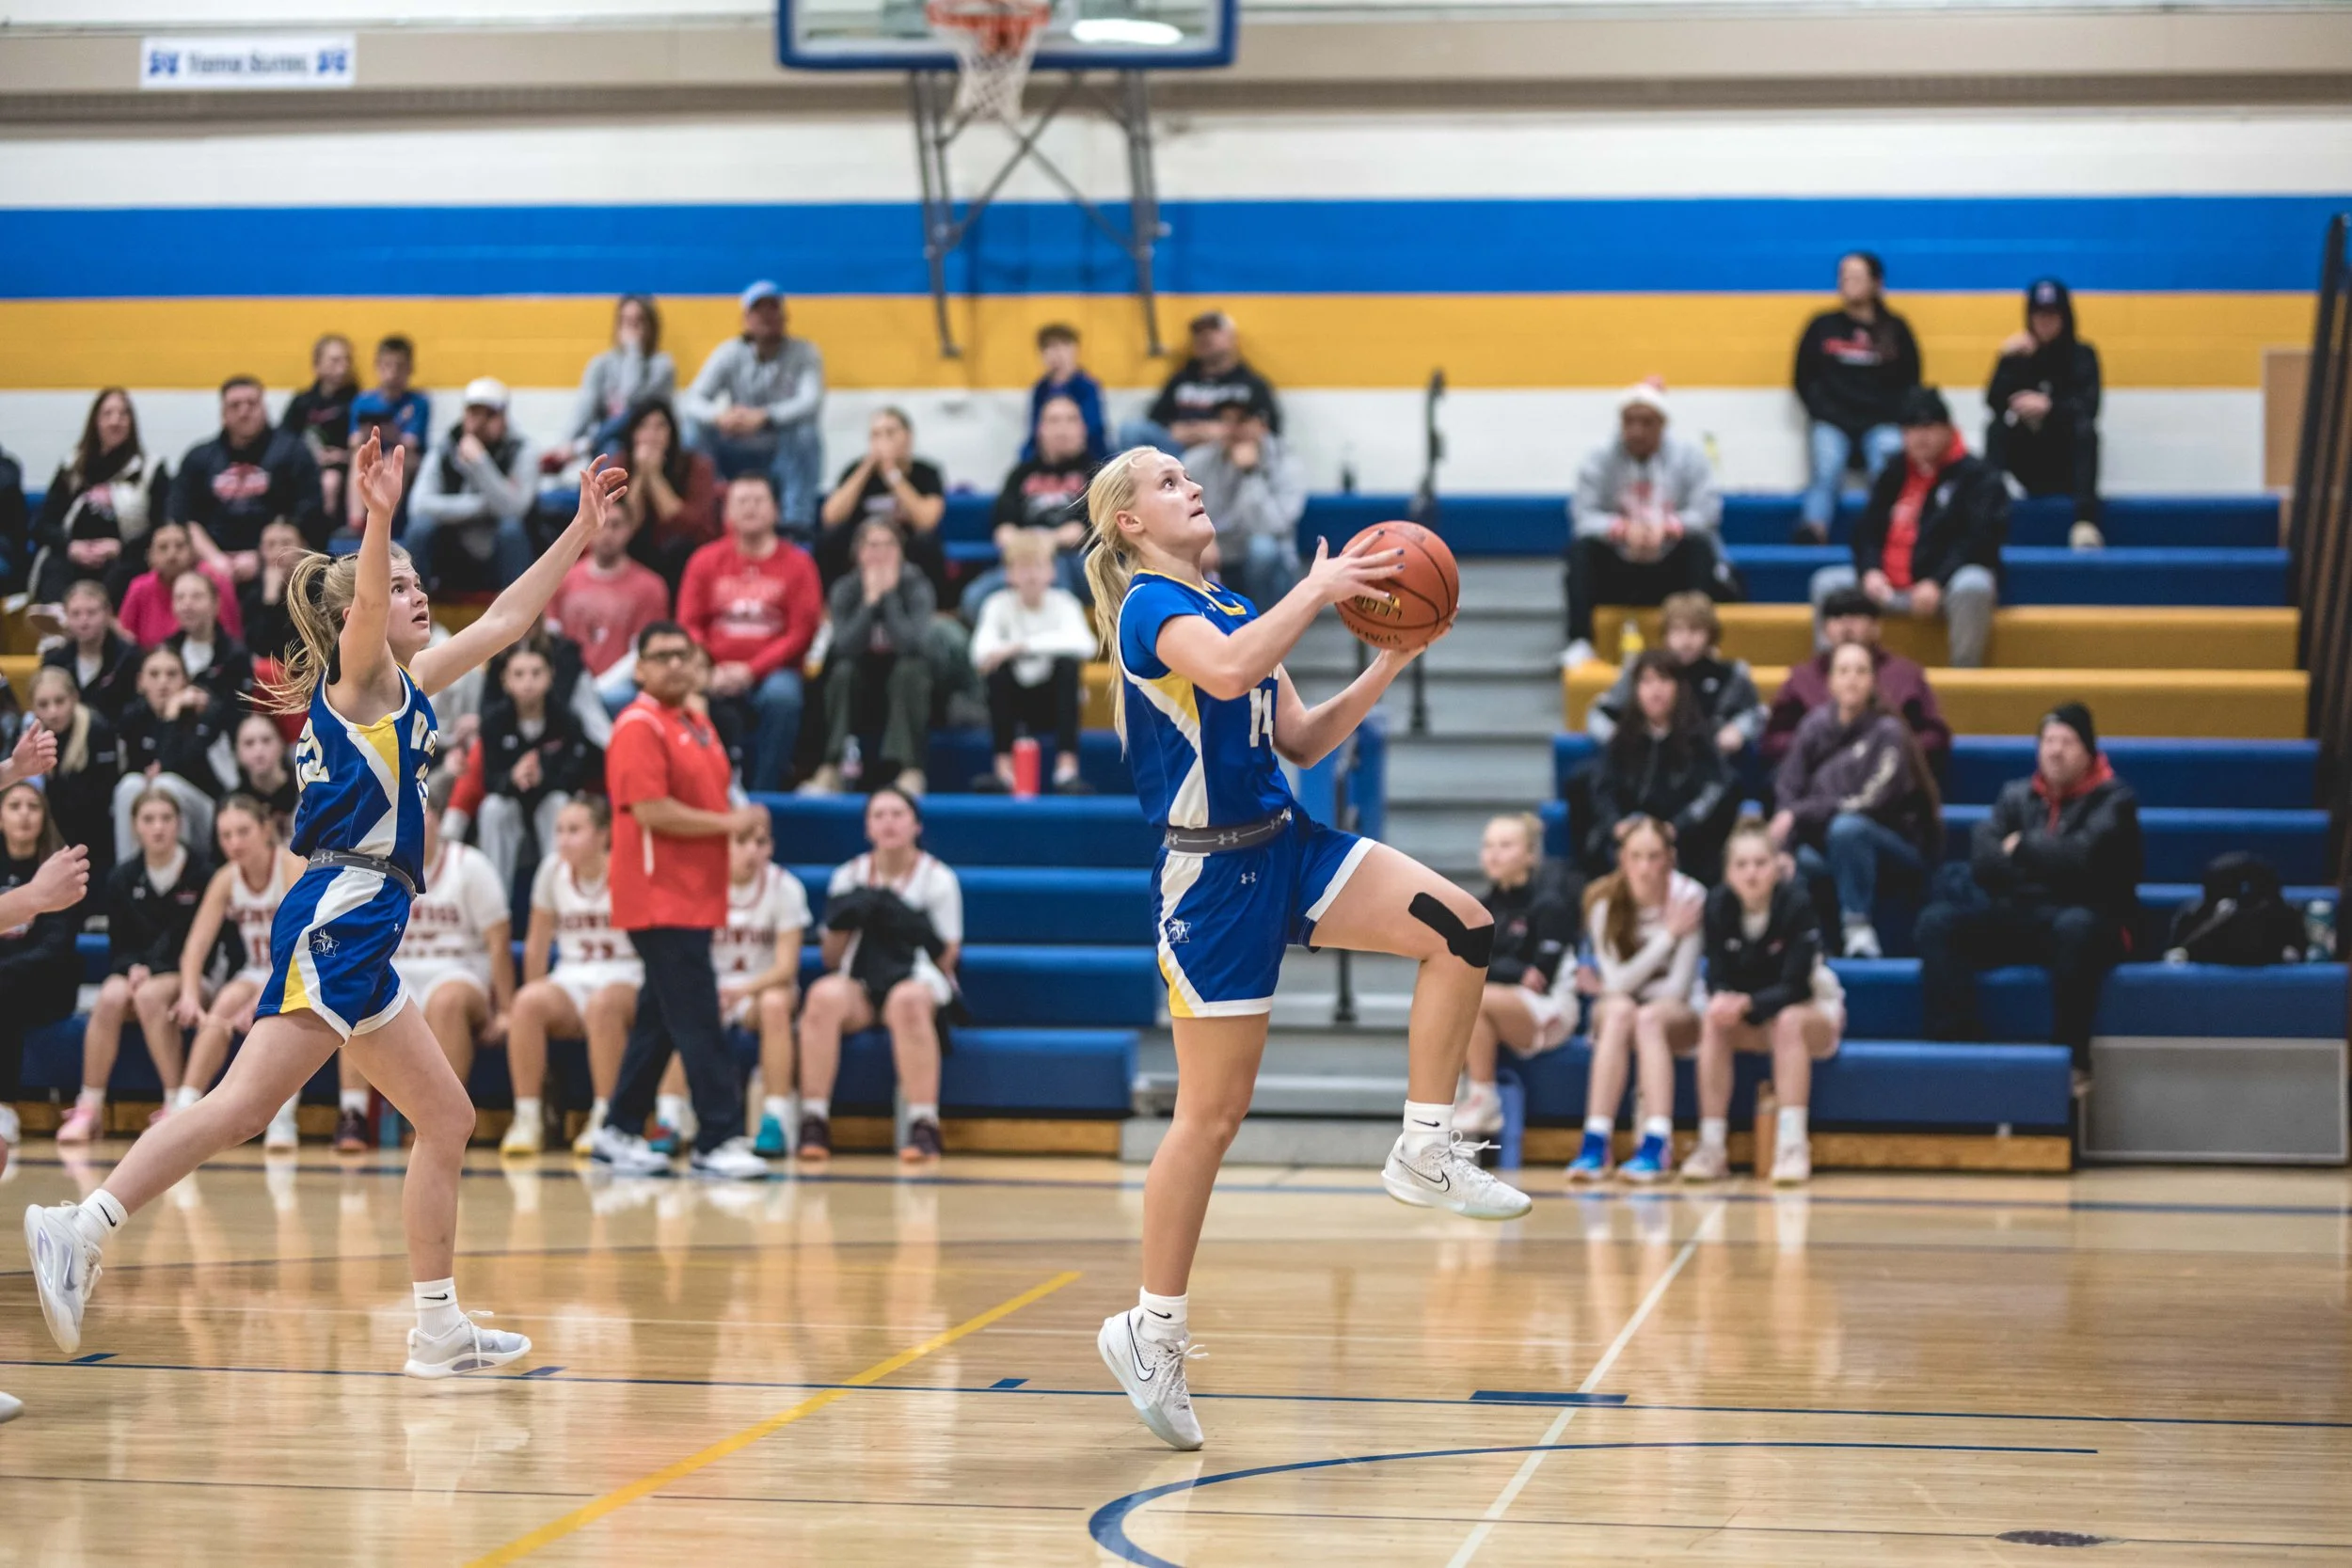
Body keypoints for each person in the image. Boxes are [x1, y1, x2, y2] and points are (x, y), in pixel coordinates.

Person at [23, 433, 629, 1381]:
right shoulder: (360, 680)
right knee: (243, 1105)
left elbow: (507, 617)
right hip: (341, 910)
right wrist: (378, 518)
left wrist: (579, 531)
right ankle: (80, 1225)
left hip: (365, 925)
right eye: (402, 585)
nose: (418, 595)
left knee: (447, 1116)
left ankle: (438, 1327)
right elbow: (370, 610)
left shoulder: (409, 686)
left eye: (420, 583)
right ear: (359, 614)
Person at [1081, 445, 1529, 1454]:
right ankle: (1151, 1329)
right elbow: (1228, 671)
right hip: (1211, 881)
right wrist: (1320, 588)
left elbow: (1302, 739)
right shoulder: (1151, 609)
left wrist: (1389, 659)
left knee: (1463, 927)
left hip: (1289, 844)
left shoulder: (1234, 604)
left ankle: (1425, 1144)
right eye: (1168, 482)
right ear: (1130, 524)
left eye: (1189, 476)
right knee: (1211, 1115)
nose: (1191, 486)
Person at [586, 623, 772, 1180]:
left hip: (693, 894)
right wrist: (729, 824)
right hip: (658, 896)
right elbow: (650, 810)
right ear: (640, 669)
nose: (673, 665)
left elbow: (711, 798)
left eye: (682, 656)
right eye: (660, 656)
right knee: (697, 1018)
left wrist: (734, 819)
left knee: (661, 1020)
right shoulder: (638, 725)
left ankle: (618, 1130)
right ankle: (718, 1136)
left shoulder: (696, 723)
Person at [1915, 704, 2141, 1072]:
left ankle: (2070, 1063)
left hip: (2089, 918)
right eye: (2048, 741)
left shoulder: (2115, 799)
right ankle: (1957, 1052)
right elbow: (1984, 858)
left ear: (2088, 751)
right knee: (1937, 923)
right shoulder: (2015, 795)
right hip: (2024, 914)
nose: (2055, 750)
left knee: (2075, 928)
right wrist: (2048, 863)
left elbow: (2085, 859)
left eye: (2067, 742)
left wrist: (2022, 847)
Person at [790, 787, 961, 1164]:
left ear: (916, 825)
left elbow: (948, 959)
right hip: (861, 983)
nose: (889, 823)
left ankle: (924, 1124)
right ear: (867, 828)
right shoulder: (848, 876)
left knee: (907, 1000)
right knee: (821, 996)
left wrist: (907, 924)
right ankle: (814, 1119)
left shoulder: (938, 879)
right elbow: (832, 959)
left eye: (898, 814)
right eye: (879, 815)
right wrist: (845, 920)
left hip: (915, 978)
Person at [1686, 817, 1845, 1186]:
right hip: (1753, 1016)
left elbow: (1797, 986)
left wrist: (1746, 1004)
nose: (1751, 873)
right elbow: (1716, 975)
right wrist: (1724, 1000)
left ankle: (1792, 1146)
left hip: (1809, 1012)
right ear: (1728, 872)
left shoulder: (1796, 903)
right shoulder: (1718, 905)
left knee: (1788, 1021)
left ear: (1777, 867)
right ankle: (1711, 1147)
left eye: (1760, 863)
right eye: (1741, 865)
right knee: (1712, 1020)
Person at [56, 787, 215, 1146]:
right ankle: (89, 1108)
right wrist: (132, 968)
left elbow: (197, 943)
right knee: (110, 996)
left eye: (166, 818)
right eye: (149, 819)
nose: (158, 827)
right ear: (135, 826)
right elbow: (120, 945)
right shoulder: (122, 877)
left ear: (179, 823)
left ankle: (176, 1105)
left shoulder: (202, 873)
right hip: (141, 973)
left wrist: (150, 968)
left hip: (191, 977)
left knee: (149, 996)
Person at [1807, 388, 2007, 670]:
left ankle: (1965, 674)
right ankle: (1831, 676)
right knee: (1827, 584)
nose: (1920, 437)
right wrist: (1870, 571)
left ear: (1948, 429)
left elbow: (1979, 541)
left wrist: (1937, 581)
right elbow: (1866, 531)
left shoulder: (1978, 477)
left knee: (1973, 584)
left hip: (1942, 588)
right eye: (1911, 429)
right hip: (1887, 586)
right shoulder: (1894, 472)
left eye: (1928, 427)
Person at [1771, 641, 1942, 958]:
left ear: (1873, 681)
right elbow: (1788, 790)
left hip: (1890, 844)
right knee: (1798, 860)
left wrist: (1802, 813)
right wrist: (1785, 847)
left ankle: (1857, 927)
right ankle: (1805, 945)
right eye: (1844, 671)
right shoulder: (1813, 726)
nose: (1852, 679)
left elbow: (1871, 802)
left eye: (1861, 671)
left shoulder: (1890, 732)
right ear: (1830, 682)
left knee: (1848, 828)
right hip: (1828, 845)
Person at [1566, 815, 1705, 1184]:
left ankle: (1657, 1144)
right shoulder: (1602, 901)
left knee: (1645, 1017)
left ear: (1670, 858)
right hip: (1622, 1012)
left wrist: (1624, 991)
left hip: (1678, 1015)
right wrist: (1668, 936)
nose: (1645, 867)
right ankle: (1596, 1142)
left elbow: (1677, 987)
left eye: (1654, 856)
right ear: (1622, 859)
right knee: (1620, 1013)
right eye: (1636, 857)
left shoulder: (1689, 897)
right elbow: (1615, 982)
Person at [1561, 383, 1736, 669]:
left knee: (1700, 548)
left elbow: (1708, 512)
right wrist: (1621, 529)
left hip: (1668, 565)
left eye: (1646, 423)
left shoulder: (1690, 457)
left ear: (1662, 425)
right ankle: (1580, 641)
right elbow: (1582, 516)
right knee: (1580, 551)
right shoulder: (1598, 459)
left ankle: (1699, 640)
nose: (1637, 431)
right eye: (1629, 422)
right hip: (1620, 566)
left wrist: (1667, 528)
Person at [502, 795, 640, 1158]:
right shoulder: (552, 871)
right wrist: (533, 988)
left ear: (603, 835)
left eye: (574, 830)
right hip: (572, 975)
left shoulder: (628, 869)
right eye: (560, 831)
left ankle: (605, 1117)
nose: (563, 839)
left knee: (602, 1007)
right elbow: (537, 944)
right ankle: (528, 1117)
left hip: (626, 972)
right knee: (527, 1004)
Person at [390, 772, 516, 1151]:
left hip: (460, 972)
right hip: (404, 971)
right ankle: (354, 1113)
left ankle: (442, 1118)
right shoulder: (384, 867)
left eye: (422, 813)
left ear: (439, 819)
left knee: (446, 1002)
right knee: (357, 995)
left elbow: (498, 941)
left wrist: (506, 1009)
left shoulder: (470, 865)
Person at [675, 473, 823, 793]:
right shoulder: (704, 561)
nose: (750, 508)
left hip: (775, 671)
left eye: (758, 501)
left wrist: (750, 670)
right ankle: (705, 792)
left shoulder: (799, 565)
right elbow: (689, 623)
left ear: (777, 510)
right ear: (727, 512)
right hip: (711, 667)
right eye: (742, 501)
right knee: (682, 692)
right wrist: (708, 667)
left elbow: (802, 632)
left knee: (782, 697)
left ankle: (764, 793)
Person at [1453, 813, 1580, 1139]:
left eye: (1506, 845)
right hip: (1500, 1004)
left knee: (1475, 998)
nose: (1494, 854)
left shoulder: (1550, 904)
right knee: (1450, 1000)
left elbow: (1541, 977)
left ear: (1530, 855)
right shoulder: (1478, 908)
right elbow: (1463, 963)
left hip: (1551, 1010)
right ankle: (1451, 1100)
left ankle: (1485, 1102)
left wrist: (1494, 967)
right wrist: (1516, 970)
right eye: (1488, 846)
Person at [1572, 649, 1736, 884]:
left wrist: (1677, 827)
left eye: (1664, 680)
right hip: (1627, 836)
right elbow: (1603, 787)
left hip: (1684, 844)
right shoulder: (1622, 738)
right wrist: (1616, 824)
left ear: (1679, 687)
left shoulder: (1700, 739)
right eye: (1646, 681)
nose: (1655, 690)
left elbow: (1713, 791)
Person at [1792, 251, 1921, 545]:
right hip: (1832, 420)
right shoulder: (1822, 326)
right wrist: (1823, 411)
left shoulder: (1895, 329)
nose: (1847, 283)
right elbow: (1803, 377)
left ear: (1876, 283)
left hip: (1882, 421)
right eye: (1843, 276)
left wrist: (1893, 415)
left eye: (1856, 276)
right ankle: (1813, 531)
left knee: (1886, 467)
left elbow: (1911, 381)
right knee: (1826, 469)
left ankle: (1887, 535)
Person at [803, 520, 939, 798]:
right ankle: (831, 767)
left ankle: (909, 769)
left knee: (909, 669)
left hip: (910, 685)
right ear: (858, 552)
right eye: (873, 545)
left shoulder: (917, 586)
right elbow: (844, 647)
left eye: (890, 545)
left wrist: (888, 597)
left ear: (901, 552)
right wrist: (868, 602)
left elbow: (912, 645)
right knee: (842, 671)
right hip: (862, 682)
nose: (881, 553)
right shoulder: (845, 588)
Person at [681, 279, 826, 532]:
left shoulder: (805, 352)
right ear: (746, 319)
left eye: (773, 309)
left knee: (805, 433)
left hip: (779, 447)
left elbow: (811, 401)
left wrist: (765, 416)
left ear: (785, 317)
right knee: (693, 429)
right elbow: (692, 400)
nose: (767, 316)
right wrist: (720, 416)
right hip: (735, 443)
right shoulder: (729, 353)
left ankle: (797, 525)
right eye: (759, 310)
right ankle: (708, 513)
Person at [1760, 585, 1952, 769]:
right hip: (1817, 778)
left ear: (1876, 626)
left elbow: (1936, 737)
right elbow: (1773, 739)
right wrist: (1816, 746)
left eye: (1856, 616)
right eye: (1837, 617)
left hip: (1890, 776)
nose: (1846, 625)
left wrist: (1888, 749)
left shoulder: (1906, 674)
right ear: (1825, 629)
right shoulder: (1801, 678)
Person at [969, 531, 1093, 794]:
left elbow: (1085, 645)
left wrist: (1020, 646)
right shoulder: (996, 604)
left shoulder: (1065, 603)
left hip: (1053, 701)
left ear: (1051, 572)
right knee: (997, 672)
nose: (1031, 575)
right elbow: (980, 653)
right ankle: (1004, 771)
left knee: (1068, 667)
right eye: (1023, 568)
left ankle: (1066, 770)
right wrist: (1014, 652)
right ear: (1009, 574)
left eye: (1038, 566)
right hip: (1014, 701)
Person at [1987, 277, 2105, 550]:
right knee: (1995, 428)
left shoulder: (2083, 355)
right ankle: (1988, 517)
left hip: (2065, 458)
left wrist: (2049, 406)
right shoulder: (2018, 355)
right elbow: (1994, 403)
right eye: (2039, 315)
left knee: (2086, 431)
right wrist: (2005, 360)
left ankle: (2085, 523)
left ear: (2065, 317)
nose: (2045, 322)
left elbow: (2090, 407)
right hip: (2030, 457)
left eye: (2052, 315)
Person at [721, 814, 811, 1159]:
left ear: (771, 848)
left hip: (761, 988)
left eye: (760, 843)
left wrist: (741, 991)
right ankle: (670, 1114)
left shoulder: (785, 887)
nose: (751, 851)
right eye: (741, 842)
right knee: (683, 1003)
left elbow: (786, 968)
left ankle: (775, 1116)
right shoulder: (700, 884)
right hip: (715, 988)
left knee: (775, 1004)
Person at [0, 781, 81, 1166]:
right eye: (14, 805)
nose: (24, 814)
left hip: (46, 983)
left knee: (6, 992)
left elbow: (56, 947)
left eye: (32, 806)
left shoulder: (57, 868)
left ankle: (4, 1107)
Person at [471, 639, 592, 897]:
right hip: (511, 803)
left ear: (551, 676)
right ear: (505, 680)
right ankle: (496, 904)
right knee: (493, 809)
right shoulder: (493, 722)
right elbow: (490, 781)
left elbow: (575, 778)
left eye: (536, 673)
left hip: (548, 801)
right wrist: (513, 777)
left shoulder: (567, 721)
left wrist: (543, 777)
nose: (528, 682)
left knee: (559, 805)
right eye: (519, 674)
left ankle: (558, 899)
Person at [30, 387, 167, 606]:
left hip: (124, 556)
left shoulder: (150, 469)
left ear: (132, 423)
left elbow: (161, 526)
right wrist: (71, 547)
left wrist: (120, 547)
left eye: (123, 414)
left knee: (125, 572)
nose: (115, 421)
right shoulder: (71, 467)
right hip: (74, 554)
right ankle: (56, 623)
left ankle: (103, 622)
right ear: (95, 421)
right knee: (54, 566)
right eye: (107, 414)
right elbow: (44, 524)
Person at [1584, 592, 1765, 756]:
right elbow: (1600, 713)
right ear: (1666, 634)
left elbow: (1757, 713)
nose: (1686, 640)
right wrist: (1617, 738)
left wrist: (1739, 730)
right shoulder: (1642, 671)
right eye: (1677, 630)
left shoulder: (1730, 675)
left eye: (1695, 630)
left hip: (1710, 766)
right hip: (1647, 766)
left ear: (1710, 633)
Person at [173, 376, 326, 564]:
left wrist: (260, 557)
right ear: (223, 413)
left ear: (264, 408)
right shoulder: (198, 457)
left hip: (277, 559)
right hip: (211, 559)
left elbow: (308, 513)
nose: (244, 412)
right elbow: (181, 516)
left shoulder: (293, 451)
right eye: (235, 405)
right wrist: (215, 559)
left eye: (252, 404)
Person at [548, 485, 674, 714]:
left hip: (621, 687)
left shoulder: (650, 587)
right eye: (602, 524)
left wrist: (598, 688)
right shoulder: (562, 578)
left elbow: (642, 652)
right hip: (569, 681)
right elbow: (551, 638)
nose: (607, 533)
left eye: (616, 525)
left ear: (630, 529)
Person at [407, 378, 538, 593]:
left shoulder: (522, 450)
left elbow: (516, 509)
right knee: (421, 527)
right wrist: (485, 506)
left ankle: (522, 611)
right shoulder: (445, 448)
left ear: (504, 417)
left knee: (512, 530)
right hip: (453, 550)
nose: (480, 423)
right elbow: (418, 506)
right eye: (474, 413)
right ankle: (414, 604)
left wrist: (480, 462)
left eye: (490, 415)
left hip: (497, 553)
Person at [967, 393, 1094, 611]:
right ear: (1040, 429)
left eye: (1070, 420)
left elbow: (1084, 531)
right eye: (1054, 421)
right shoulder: (1021, 474)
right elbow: (1003, 530)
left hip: (1075, 561)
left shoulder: (1097, 473)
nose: (1062, 429)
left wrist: (1046, 542)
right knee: (975, 599)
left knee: (1051, 576)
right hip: (1025, 558)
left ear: (1082, 429)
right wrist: (1032, 548)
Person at [1186, 398, 1308, 610]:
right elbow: (1180, 511)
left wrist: (1250, 474)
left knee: (1263, 550)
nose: (1232, 429)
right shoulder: (1197, 461)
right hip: (1217, 549)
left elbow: (1273, 526)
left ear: (1262, 425)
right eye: (1225, 420)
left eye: (1241, 420)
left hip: (1264, 557)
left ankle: (1265, 624)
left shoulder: (1286, 463)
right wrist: (1201, 542)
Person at [815, 405, 946, 594]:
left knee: (927, 542)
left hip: (905, 542)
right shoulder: (855, 470)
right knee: (830, 539)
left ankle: (930, 604)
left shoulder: (926, 473)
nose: (882, 441)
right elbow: (831, 516)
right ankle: (831, 603)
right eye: (875, 435)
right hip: (862, 543)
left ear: (908, 437)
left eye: (890, 433)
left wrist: (892, 474)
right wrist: (866, 468)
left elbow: (927, 520)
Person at [111, 644, 225, 861]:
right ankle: (128, 869)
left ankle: (182, 870)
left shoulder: (205, 713)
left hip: (205, 811)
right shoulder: (133, 717)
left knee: (165, 785)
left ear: (185, 681)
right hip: (153, 811)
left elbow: (177, 767)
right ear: (140, 682)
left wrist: (171, 716)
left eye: (172, 674)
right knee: (129, 786)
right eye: (154, 674)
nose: (163, 682)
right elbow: (130, 770)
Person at [1126, 310, 1282, 453]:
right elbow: (1156, 419)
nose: (1205, 336)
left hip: (1223, 454)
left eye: (1214, 330)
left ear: (1232, 338)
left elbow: (1268, 428)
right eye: (1198, 333)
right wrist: (1188, 431)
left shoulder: (1251, 384)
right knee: (1132, 430)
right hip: (1178, 449)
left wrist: (1226, 432)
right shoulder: (1181, 380)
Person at [28, 665, 120, 897]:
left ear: (75, 698)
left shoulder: (98, 730)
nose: (53, 712)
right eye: (43, 704)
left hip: (95, 834)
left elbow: (102, 799)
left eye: (60, 701)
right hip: (49, 832)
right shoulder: (27, 736)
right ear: (33, 708)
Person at [556, 294, 676, 466]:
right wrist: (565, 443)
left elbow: (631, 400)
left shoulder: (662, 365)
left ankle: (585, 445)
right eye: (626, 322)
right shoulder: (601, 364)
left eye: (638, 322)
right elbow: (584, 408)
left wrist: (633, 351)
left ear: (651, 326)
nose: (632, 329)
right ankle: (580, 449)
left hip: (648, 439)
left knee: (629, 416)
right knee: (611, 450)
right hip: (610, 439)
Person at [613, 399, 720, 592]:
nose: (651, 435)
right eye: (643, 427)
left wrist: (654, 477)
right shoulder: (620, 464)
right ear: (632, 434)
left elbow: (687, 524)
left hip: (682, 554)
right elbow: (625, 525)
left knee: (678, 547)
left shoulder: (696, 465)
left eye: (660, 427)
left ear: (672, 432)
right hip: (636, 550)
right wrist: (640, 476)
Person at [119, 520, 244, 647]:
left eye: (180, 546)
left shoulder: (216, 582)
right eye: (163, 548)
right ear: (150, 556)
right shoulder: (139, 587)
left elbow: (232, 637)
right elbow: (125, 637)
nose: (172, 555)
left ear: (193, 552)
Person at [281, 334, 358, 521]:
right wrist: (309, 455)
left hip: (340, 468)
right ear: (317, 364)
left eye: (347, 360)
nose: (343, 367)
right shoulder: (302, 402)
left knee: (329, 481)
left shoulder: (356, 401)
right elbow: (283, 440)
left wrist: (342, 456)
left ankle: (326, 533)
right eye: (335, 360)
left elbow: (366, 442)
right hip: (304, 464)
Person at [40, 579, 142, 722]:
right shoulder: (54, 661)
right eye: (75, 614)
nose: (84, 621)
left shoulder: (128, 658)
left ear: (108, 613)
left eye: (91, 613)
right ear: (66, 616)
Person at [162, 569, 253, 721]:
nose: (187, 605)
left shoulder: (235, 655)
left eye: (196, 596)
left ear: (215, 603)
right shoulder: (165, 650)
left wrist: (208, 703)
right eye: (180, 597)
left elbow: (241, 711)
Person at [1024, 323, 1107, 460]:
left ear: (1075, 350)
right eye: (1050, 347)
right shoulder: (1041, 389)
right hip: (1047, 455)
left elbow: (1094, 429)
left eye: (1064, 346)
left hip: (1086, 454)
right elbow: (1035, 430)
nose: (1058, 353)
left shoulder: (1087, 386)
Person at [239, 518, 310, 673]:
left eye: (286, 543)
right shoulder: (253, 594)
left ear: (303, 547)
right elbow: (261, 651)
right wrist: (270, 600)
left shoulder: (316, 588)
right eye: (270, 545)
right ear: (261, 551)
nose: (279, 551)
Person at [349, 334, 431, 467]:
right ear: (377, 365)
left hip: (406, 459)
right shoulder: (362, 402)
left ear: (410, 368)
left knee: (394, 456)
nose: (393, 372)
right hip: (372, 453)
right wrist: (367, 435)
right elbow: (353, 440)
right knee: (358, 456)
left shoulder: (418, 403)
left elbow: (411, 443)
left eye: (399, 366)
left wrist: (390, 434)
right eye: (387, 365)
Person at [230, 711, 300, 837]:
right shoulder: (232, 806)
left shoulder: (306, 789)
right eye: (249, 743)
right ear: (237, 752)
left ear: (282, 744)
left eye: (266, 740)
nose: (259, 751)